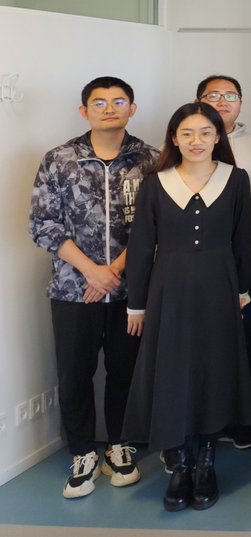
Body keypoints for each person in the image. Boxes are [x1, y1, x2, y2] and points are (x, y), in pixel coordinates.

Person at [29, 76, 157, 499]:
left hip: (129, 292)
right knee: (74, 374)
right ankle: (82, 452)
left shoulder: (150, 159)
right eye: (98, 102)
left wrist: (113, 272)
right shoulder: (60, 159)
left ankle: (119, 446)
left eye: (118, 101)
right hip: (72, 289)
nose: (108, 108)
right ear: (84, 111)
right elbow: (42, 224)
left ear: (132, 108)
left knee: (125, 370)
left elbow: (153, 227)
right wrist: (91, 271)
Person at [122, 102, 251, 512]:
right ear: (174, 138)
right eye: (187, 133)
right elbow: (142, 249)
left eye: (204, 132)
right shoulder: (155, 183)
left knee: (213, 370)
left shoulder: (236, 179)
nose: (196, 141)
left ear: (219, 136)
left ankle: (206, 463)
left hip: (220, 287)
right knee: (172, 370)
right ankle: (178, 463)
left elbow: (243, 240)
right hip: (169, 290)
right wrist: (136, 306)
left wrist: (243, 290)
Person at [195, 74, 251, 450]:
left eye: (230, 95)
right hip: (197, 265)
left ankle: (237, 420)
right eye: (213, 95)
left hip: (248, 260)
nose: (222, 101)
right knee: (200, 342)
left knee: (240, 341)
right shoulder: (187, 141)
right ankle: (200, 422)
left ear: (241, 102)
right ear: (198, 100)